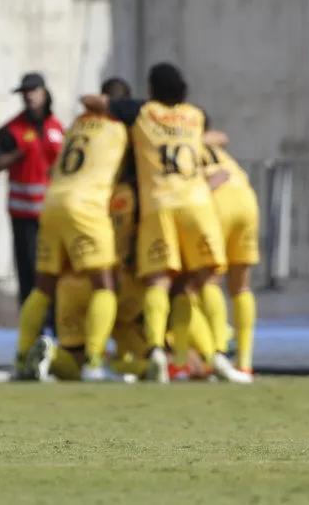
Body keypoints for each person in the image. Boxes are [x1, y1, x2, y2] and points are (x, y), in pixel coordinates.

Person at [79, 62, 248, 384]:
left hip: (158, 206)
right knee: (206, 280)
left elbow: (91, 100)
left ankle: (156, 349)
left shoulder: (143, 112)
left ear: (152, 89)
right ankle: (220, 356)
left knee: (159, 281)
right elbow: (215, 138)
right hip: (196, 203)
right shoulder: (194, 116)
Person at [14, 77, 130, 382]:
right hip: (86, 205)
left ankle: (22, 357)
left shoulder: (76, 125)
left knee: (43, 287)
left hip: (51, 200)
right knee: (105, 284)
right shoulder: (121, 128)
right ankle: (93, 362)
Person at [0, 72, 65, 307]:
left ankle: (55, 322)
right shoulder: (11, 130)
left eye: (33, 92)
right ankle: (32, 324)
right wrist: (16, 156)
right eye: (25, 93)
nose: (29, 97)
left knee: (54, 269)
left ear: (44, 93)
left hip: (53, 213)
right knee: (28, 269)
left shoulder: (58, 128)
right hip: (24, 215)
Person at [202, 141, 258, 378]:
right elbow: (219, 136)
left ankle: (218, 352)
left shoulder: (176, 139)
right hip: (246, 199)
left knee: (205, 282)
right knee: (241, 285)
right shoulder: (215, 145)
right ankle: (245, 362)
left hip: (215, 199)